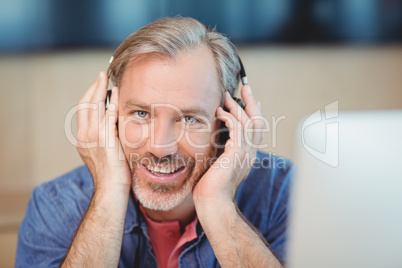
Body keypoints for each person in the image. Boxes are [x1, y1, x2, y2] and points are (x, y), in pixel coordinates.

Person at [16, 17, 293, 267]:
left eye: (189, 118)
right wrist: (110, 190)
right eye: (141, 114)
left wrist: (218, 207)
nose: (160, 148)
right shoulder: (55, 205)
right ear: (109, 115)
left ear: (226, 126)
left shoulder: (283, 193)